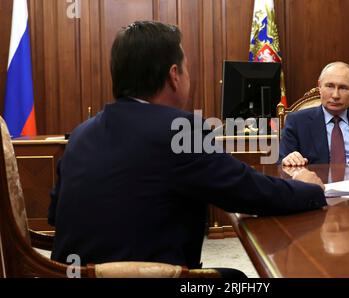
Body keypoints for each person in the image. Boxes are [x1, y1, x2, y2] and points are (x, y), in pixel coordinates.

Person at [48, 21, 327, 277]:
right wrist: (308, 187)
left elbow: (54, 214)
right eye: (187, 68)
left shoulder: (81, 133)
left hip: (67, 274)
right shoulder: (179, 130)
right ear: (174, 76)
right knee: (241, 280)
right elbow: (250, 191)